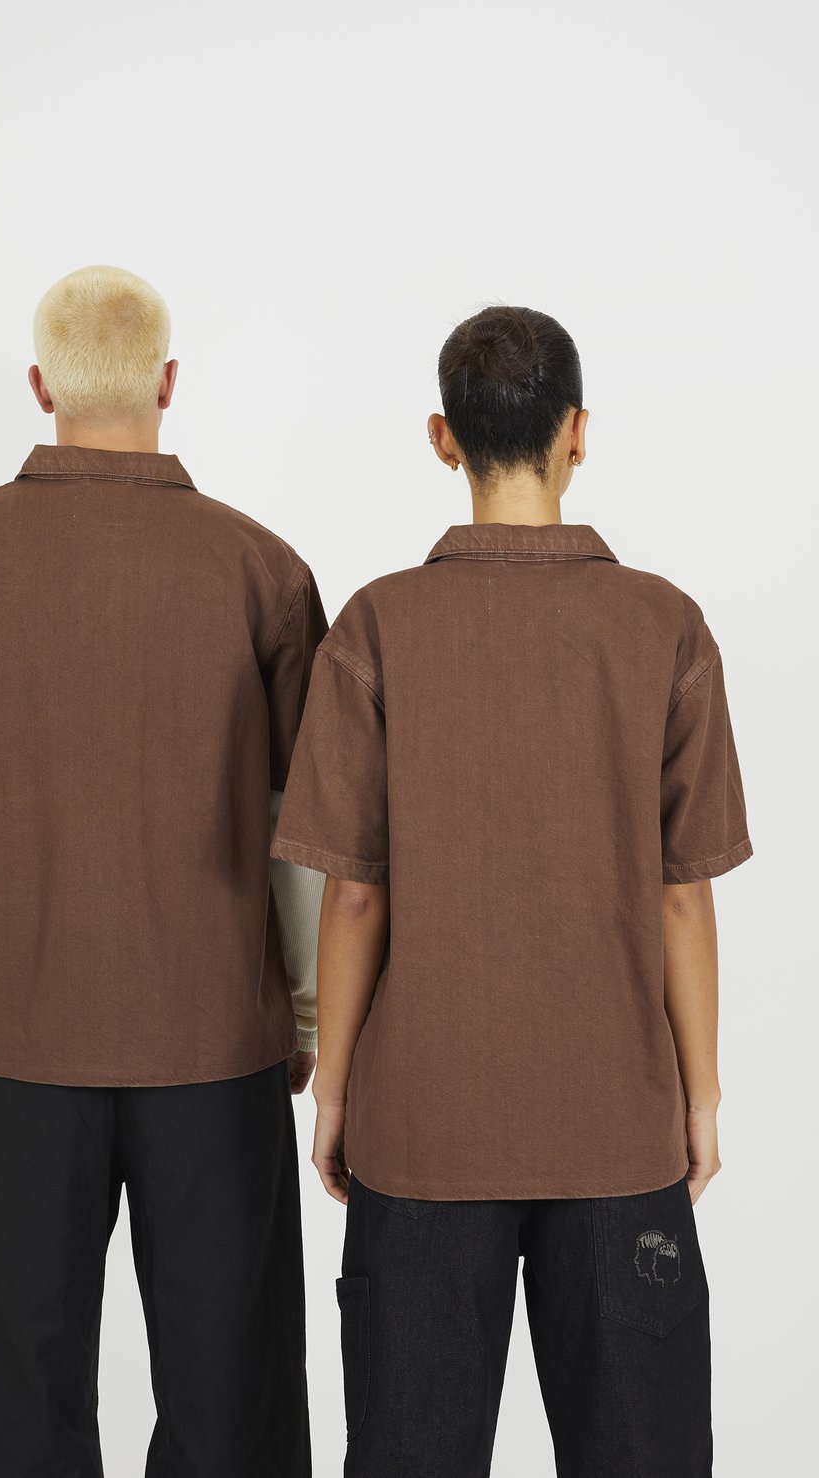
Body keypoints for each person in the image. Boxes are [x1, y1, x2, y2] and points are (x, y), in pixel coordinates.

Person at [0, 264, 326, 1477]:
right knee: (232, 1395)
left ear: (39, 384)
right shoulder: (262, 571)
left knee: (0, 1398)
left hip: (17, 1028)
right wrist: (308, 1005)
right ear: (168, 382)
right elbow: (300, 828)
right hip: (216, 1035)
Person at [271, 305, 752, 1477]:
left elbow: (354, 894)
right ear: (578, 431)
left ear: (443, 437)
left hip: (424, 1131)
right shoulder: (664, 625)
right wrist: (697, 1099)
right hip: (616, 1128)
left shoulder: (378, 623)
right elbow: (681, 896)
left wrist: (335, 1091)